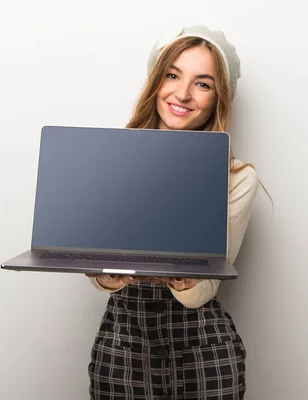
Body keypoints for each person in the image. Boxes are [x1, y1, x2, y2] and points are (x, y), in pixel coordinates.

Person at [86, 25, 264, 400]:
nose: (182, 94)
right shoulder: (110, 162)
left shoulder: (237, 177)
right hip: (121, 349)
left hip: (204, 354)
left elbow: (206, 289)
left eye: (203, 84)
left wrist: (186, 279)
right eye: (172, 75)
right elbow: (100, 276)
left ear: (219, 98)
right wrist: (104, 273)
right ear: (157, 81)